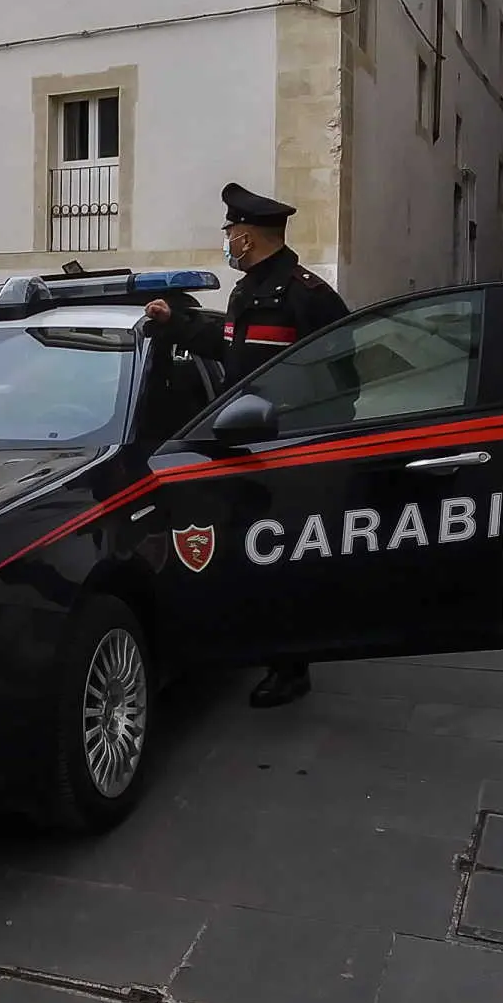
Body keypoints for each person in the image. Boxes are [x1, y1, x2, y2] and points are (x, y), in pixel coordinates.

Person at [143, 182, 351, 710]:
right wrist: (176, 323)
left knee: (285, 559)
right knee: (256, 555)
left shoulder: (308, 294)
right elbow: (228, 348)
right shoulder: (248, 291)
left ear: (251, 237)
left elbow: (345, 373)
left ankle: (291, 667)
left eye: (232, 232)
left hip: (288, 448)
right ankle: (261, 645)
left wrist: (313, 439)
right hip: (243, 447)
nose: (229, 240)